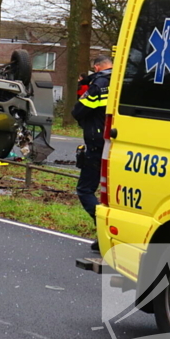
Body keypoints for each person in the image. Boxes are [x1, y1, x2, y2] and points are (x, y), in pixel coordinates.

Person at [71, 53, 112, 251]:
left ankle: (103, 231)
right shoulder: (121, 81)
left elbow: (78, 111)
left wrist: (83, 87)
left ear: (96, 67)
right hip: (117, 143)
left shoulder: (99, 84)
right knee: (111, 193)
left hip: (97, 143)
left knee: (86, 189)